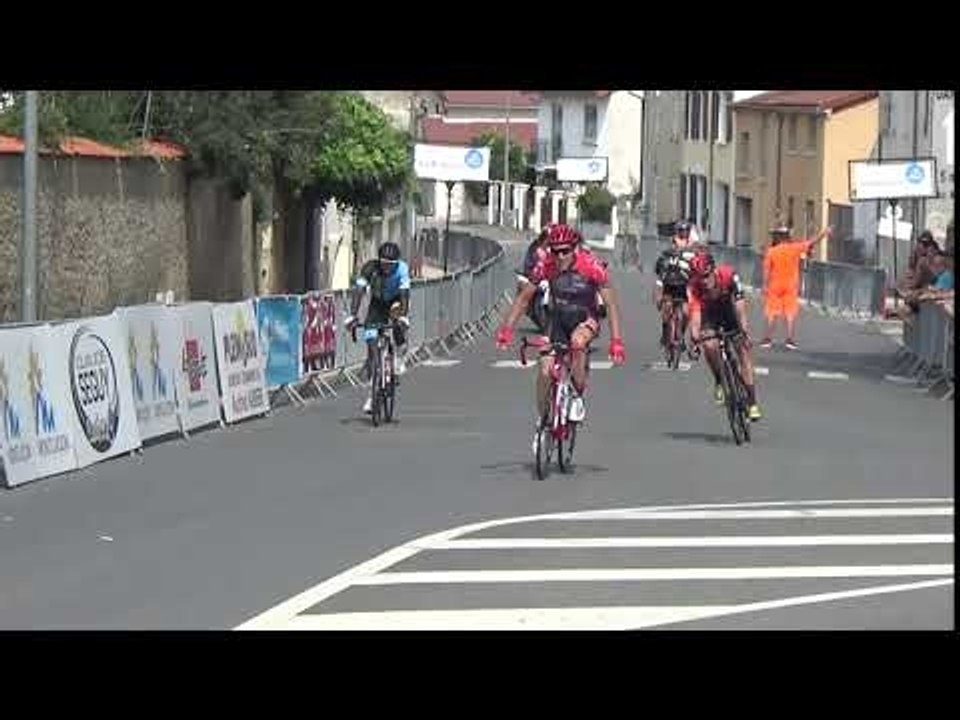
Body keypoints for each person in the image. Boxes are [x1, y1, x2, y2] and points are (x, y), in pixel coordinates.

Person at [496, 223, 626, 429]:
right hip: (556, 319)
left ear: (575, 249)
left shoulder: (592, 267)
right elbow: (523, 299)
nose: (559, 256)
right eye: (555, 251)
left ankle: (577, 394)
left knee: (577, 342)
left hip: (585, 318)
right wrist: (506, 330)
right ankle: (544, 418)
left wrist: (616, 342)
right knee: (545, 370)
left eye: (565, 251)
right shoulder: (545, 266)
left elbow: (610, 305)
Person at [688, 250, 763, 421]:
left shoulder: (728, 275)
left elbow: (740, 307)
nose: (704, 281)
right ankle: (719, 380)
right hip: (710, 314)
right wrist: (694, 339)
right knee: (709, 345)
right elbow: (695, 315)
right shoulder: (695, 286)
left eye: (706, 276)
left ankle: (752, 402)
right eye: (699, 277)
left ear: (713, 269)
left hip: (729, 311)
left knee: (743, 352)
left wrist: (744, 331)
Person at [344, 241, 411, 415]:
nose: (387, 268)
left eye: (391, 265)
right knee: (372, 345)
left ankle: (399, 356)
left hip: (396, 300)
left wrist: (403, 317)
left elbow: (404, 295)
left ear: (396, 263)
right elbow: (359, 291)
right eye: (384, 264)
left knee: (397, 320)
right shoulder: (370, 268)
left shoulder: (402, 270)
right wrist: (353, 315)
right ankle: (372, 395)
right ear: (379, 261)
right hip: (378, 303)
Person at [760, 222, 832, 350]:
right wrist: (824, 233)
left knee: (772, 312)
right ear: (787, 236)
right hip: (791, 285)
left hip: (775, 284)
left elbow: (766, 270)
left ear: (777, 237)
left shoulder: (771, 251)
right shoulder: (795, 248)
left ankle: (768, 339)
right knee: (790, 312)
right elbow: (811, 242)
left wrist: (764, 285)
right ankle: (789, 339)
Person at [653, 220, 698, 355]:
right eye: (681, 231)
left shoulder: (693, 246)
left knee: (685, 313)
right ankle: (665, 332)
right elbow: (660, 265)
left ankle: (680, 336)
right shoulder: (672, 244)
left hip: (684, 283)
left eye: (686, 231)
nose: (684, 233)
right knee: (666, 308)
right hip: (669, 281)